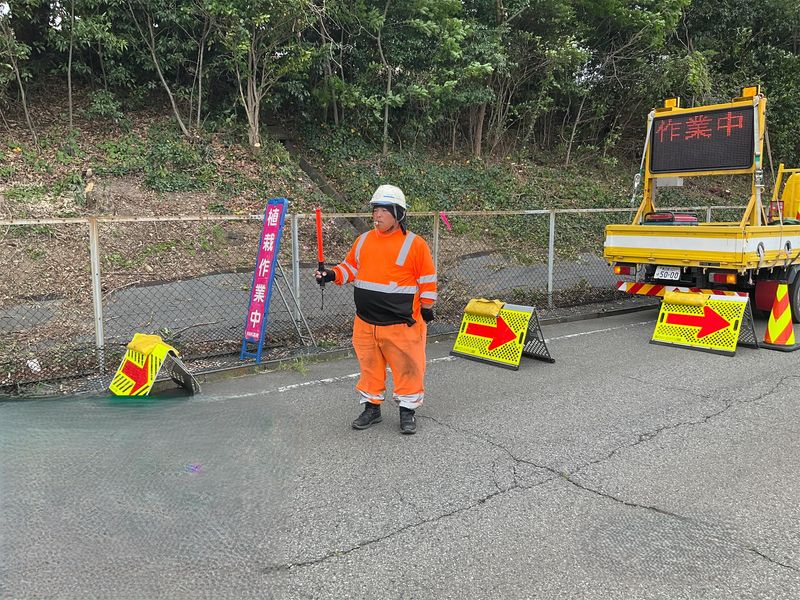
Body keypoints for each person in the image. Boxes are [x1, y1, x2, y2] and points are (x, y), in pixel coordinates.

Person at [315, 185, 437, 435]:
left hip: (402, 323)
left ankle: (407, 412)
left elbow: (427, 278)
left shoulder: (415, 244)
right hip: (366, 322)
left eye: (384, 210)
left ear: (398, 213)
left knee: (409, 368)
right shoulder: (364, 241)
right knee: (370, 368)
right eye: (375, 210)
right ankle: (372, 409)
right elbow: (351, 267)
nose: (377, 215)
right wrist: (331, 274)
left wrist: (427, 307)